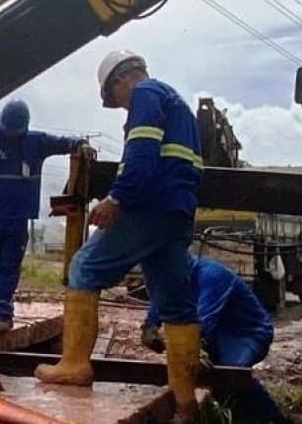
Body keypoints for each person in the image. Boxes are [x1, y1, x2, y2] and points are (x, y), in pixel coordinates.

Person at [35, 50, 203, 423]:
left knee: (84, 268)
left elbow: (142, 157)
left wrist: (116, 199)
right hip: (177, 213)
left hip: (149, 207)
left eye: (116, 98)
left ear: (122, 80)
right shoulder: (180, 108)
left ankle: (75, 365)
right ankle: (186, 405)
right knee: (176, 306)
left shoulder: (145, 95)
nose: (122, 106)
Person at [0, 99, 85, 332]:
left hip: (17, 217)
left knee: (9, 264)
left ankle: (1, 314)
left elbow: (63, 144)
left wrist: (80, 144)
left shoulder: (36, 143)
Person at [142, 256, 287, 423]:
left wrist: (194, 347)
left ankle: (273, 419)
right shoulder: (176, 278)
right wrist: (150, 325)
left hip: (247, 333)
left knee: (232, 372)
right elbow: (163, 298)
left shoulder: (212, 276)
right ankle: (232, 411)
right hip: (216, 334)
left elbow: (205, 320)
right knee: (211, 375)